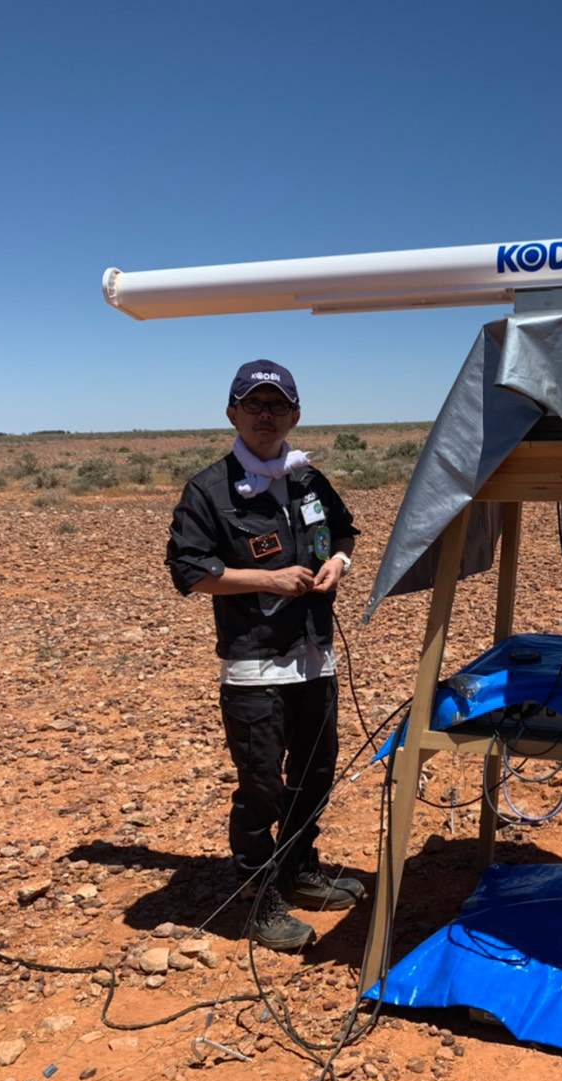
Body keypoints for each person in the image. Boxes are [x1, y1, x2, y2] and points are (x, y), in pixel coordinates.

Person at [165, 359, 364, 950]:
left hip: (314, 656)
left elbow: (346, 531)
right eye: (254, 405)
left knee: (314, 773)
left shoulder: (308, 480)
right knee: (262, 786)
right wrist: (265, 580)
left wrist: (338, 563)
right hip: (255, 665)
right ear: (233, 413)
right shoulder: (209, 489)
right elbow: (188, 570)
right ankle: (256, 896)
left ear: (295, 415)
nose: (266, 416)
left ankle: (300, 866)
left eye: (278, 405)